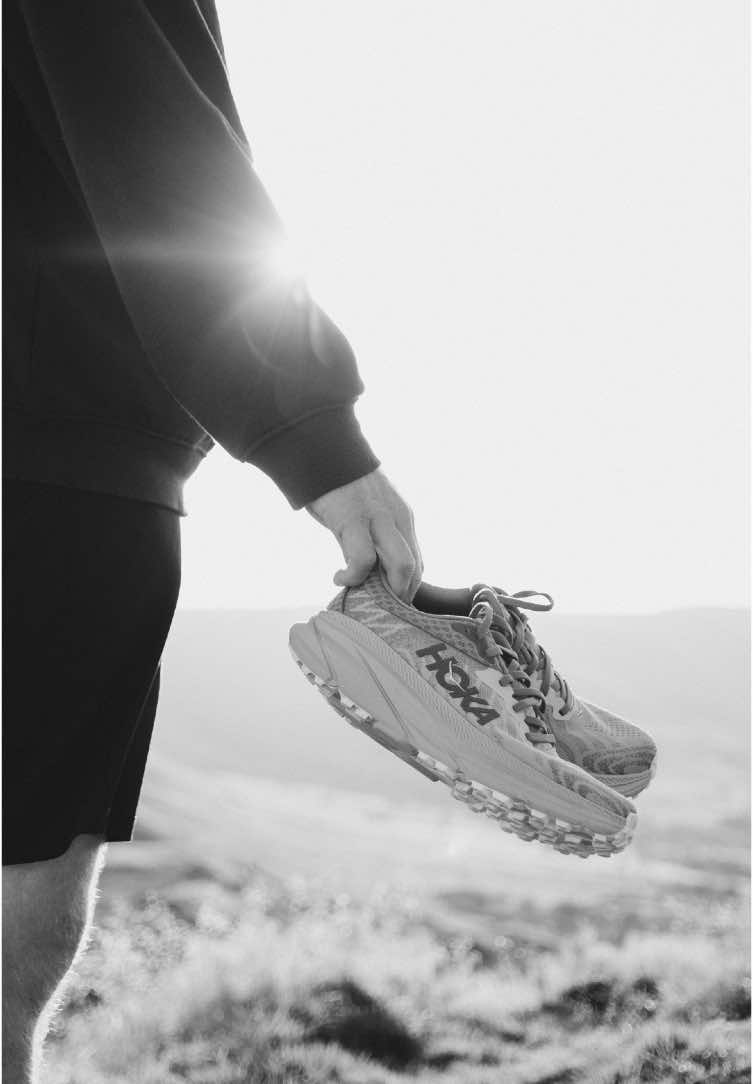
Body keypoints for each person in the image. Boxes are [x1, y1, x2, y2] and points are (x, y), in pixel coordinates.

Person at [2, 2, 423, 1079]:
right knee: (10, 936)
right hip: (49, 475)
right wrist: (315, 436)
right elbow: (158, 148)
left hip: (55, 458)